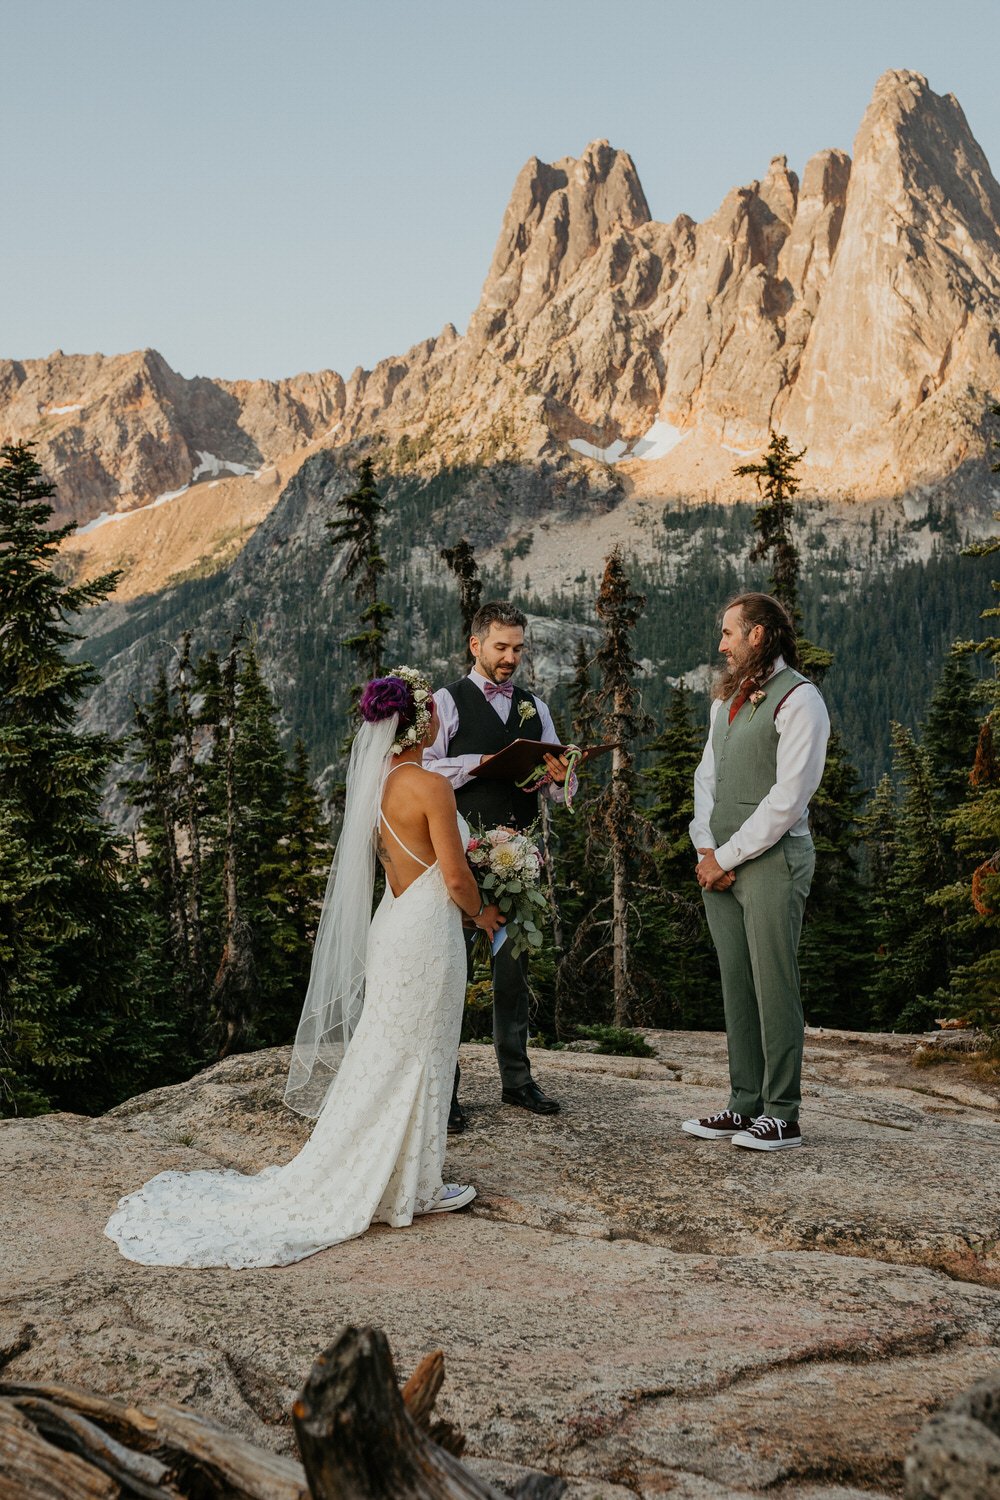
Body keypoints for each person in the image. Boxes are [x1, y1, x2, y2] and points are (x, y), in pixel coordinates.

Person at [105, 668, 503, 1269]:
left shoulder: (383, 781)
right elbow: (454, 876)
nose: (447, 715)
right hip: (428, 931)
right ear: (423, 721)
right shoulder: (431, 786)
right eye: (438, 709)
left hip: (394, 920)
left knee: (387, 1048)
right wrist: (486, 915)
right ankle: (416, 1185)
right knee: (425, 1050)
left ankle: (398, 1174)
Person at [682, 593, 829, 1152]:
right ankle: (744, 1104)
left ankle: (783, 1113)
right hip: (717, 863)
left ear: (759, 635)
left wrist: (727, 855)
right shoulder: (726, 702)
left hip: (772, 860)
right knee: (737, 983)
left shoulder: (801, 701)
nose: (721, 644)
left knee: (774, 982)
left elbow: (789, 799)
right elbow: (705, 779)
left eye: (729, 633)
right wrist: (704, 849)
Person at [425, 601, 572, 1128]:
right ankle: (445, 1090)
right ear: (476, 645)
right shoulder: (448, 700)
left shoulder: (534, 706)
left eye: (518, 648)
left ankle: (517, 1080)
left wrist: (558, 775)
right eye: (501, 647)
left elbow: (557, 788)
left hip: (520, 859)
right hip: (460, 860)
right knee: (450, 977)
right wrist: (478, 764)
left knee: (513, 973)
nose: (511, 658)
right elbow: (422, 770)